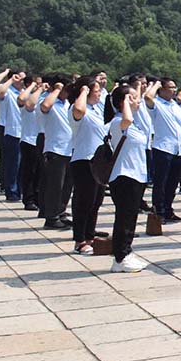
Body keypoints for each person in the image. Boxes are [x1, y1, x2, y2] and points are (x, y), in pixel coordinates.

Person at [107, 84, 150, 273]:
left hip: (136, 175)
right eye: (132, 97)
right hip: (124, 176)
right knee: (124, 218)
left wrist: (134, 101)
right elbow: (127, 118)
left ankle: (126, 251)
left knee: (131, 217)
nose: (137, 100)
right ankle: (120, 257)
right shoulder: (118, 122)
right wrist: (125, 100)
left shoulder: (134, 125)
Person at [68, 76, 106, 254]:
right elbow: (78, 109)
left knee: (96, 202)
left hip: (98, 161)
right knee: (84, 202)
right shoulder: (76, 109)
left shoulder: (96, 109)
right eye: (96, 90)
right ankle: (80, 240)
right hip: (83, 160)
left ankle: (90, 236)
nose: (99, 93)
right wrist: (83, 90)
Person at [146, 77, 181, 224]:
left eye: (175, 87)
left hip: (177, 149)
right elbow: (147, 97)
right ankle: (159, 212)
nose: (174, 90)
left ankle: (168, 209)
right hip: (162, 148)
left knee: (172, 183)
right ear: (161, 90)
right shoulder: (156, 104)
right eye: (170, 87)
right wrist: (156, 84)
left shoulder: (175, 105)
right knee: (160, 183)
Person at [38, 73, 75, 230]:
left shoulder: (67, 104)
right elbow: (45, 106)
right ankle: (51, 218)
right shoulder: (48, 101)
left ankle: (61, 213)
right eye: (66, 89)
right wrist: (57, 90)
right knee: (55, 186)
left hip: (69, 149)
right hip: (55, 149)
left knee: (66, 186)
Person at [0, 68, 25, 201]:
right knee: (12, 162)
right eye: (19, 78)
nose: (22, 81)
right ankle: (11, 190)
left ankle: (21, 190)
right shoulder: (7, 91)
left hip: (25, 132)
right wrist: (7, 74)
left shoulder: (24, 92)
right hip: (11, 129)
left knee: (22, 164)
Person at [17, 77, 45, 211]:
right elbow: (24, 101)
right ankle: (28, 199)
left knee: (40, 173)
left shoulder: (44, 98)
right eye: (37, 83)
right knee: (29, 172)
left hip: (41, 139)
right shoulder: (27, 97)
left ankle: (39, 199)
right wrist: (35, 87)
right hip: (29, 139)